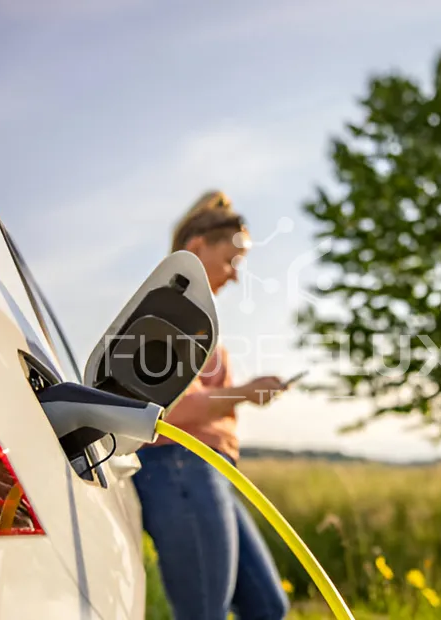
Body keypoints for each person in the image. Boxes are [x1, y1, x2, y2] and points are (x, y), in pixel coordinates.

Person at [132, 190, 291, 620]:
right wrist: (243, 393)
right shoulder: (167, 310)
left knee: (267, 606)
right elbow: (165, 411)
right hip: (179, 467)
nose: (236, 276)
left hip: (207, 470)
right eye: (232, 261)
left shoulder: (194, 316)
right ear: (197, 247)